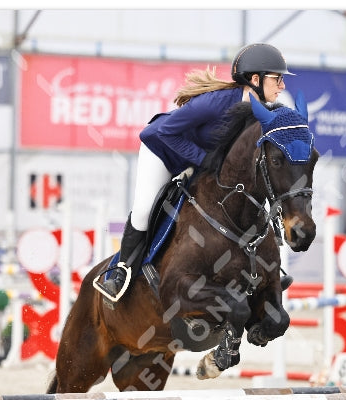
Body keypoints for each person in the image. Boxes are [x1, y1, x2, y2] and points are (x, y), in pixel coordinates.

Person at [100, 42, 293, 301]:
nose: (282, 86)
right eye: (277, 78)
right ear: (255, 79)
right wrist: (203, 160)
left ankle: (264, 269)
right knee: (145, 210)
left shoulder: (263, 115)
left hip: (201, 162)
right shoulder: (216, 102)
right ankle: (120, 272)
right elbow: (163, 132)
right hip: (163, 152)